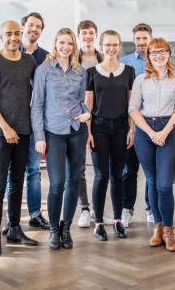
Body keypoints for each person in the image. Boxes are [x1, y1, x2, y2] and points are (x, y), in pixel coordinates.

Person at [0, 20, 38, 255]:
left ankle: (14, 227)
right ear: (1, 36)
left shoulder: (29, 61)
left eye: (18, 33)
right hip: (0, 133)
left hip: (24, 131)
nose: (14, 37)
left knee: (17, 182)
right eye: (9, 34)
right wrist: (5, 127)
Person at [31, 28, 91, 250]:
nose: (65, 47)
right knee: (57, 183)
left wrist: (87, 112)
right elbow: (36, 105)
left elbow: (82, 100)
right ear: (55, 43)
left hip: (77, 130)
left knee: (74, 181)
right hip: (53, 132)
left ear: (74, 46)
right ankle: (54, 229)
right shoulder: (43, 71)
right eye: (62, 43)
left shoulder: (80, 71)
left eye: (69, 43)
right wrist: (39, 136)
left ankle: (66, 229)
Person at [128, 38, 175, 252]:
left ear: (168, 53)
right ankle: (158, 227)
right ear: (148, 56)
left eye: (162, 51)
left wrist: (163, 132)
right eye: (153, 52)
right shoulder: (140, 79)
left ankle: (170, 231)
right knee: (152, 182)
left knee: (164, 184)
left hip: (169, 130)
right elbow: (133, 109)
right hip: (145, 131)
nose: (158, 55)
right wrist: (151, 132)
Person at [2, 12, 50, 234]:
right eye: (30, 25)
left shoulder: (47, 57)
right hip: (12, 121)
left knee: (33, 170)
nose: (34, 29)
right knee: (13, 172)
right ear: (22, 28)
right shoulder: (8, 53)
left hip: (36, 123)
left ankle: (34, 214)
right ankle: (12, 219)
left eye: (38, 26)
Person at [85, 30, 135, 241]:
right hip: (99, 128)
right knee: (101, 175)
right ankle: (98, 224)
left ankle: (117, 221)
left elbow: (132, 104)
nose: (112, 49)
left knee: (118, 175)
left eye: (115, 45)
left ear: (119, 46)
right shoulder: (92, 72)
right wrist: (88, 133)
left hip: (122, 128)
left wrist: (132, 129)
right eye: (108, 45)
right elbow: (88, 106)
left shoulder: (129, 71)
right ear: (101, 46)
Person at [120, 23, 153, 227]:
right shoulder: (125, 62)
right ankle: (127, 209)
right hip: (131, 124)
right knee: (128, 171)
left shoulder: (159, 61)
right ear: (134, 40)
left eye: (145, 38)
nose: (142, 42)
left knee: (151, 172)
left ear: (150, 38)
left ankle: (151, 208)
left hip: (152, 124)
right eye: (138, 39)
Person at [75, 20, 103, 228]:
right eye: (84, 33)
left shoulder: (103, 58)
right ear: (79, 35)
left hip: (100, 118)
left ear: (96, 35)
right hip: (76, 117)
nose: (87, 36)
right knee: (79, 167)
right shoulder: (72, 58)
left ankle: (99, 210)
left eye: (91, 33)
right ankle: (84, 208)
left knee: (102, 168)